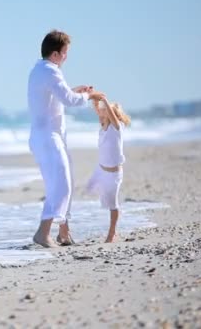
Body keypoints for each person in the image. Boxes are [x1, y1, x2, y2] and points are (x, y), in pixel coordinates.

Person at [27, 29, 105, 248]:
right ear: (55, 54)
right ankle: (43, 233)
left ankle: (64, 233)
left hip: (46, 137)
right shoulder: (51, 71)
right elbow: (70, 101)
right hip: (48, 138)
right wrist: (89, 95)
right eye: (65, 52)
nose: (66, 57)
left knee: (65, 180)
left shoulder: (39, 70)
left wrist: (76, 90)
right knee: (61, 185)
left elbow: (56, 97)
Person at [86, 98, 131, 243]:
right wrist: (93, 98)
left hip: (113, 174)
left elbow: (108, 111)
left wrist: (103, 98)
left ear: (112, 113)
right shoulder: (103, 125)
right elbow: (99, 111)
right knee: (89, 189)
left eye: (105, 110)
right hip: (100, 170)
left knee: (112, 204)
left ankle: (112, 233)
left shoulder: (117, 128)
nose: (102, 111)